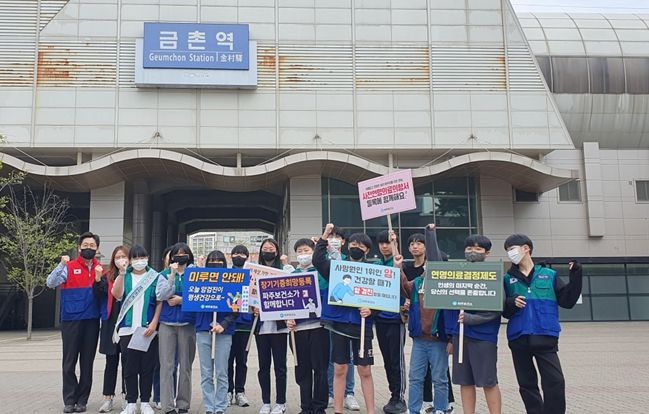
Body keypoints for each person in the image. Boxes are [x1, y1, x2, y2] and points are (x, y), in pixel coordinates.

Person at [502, 234, 582, 414]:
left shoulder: (549, 275)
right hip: (518, 338)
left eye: (512, 249)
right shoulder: (507, 279)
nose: (510, 253)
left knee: (555, 381)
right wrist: (511, 302)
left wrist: (576, 276)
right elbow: (504, 310)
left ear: (526, 248)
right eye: (507, 250)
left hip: (545, 336)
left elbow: (567, 301)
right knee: (527, 384)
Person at [314, 224, 377, 414]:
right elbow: (318, 260)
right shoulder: (336, 267)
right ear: (347, 246)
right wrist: (325, 236)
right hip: (339, 324)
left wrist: (372, 311)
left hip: (362, 326)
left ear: (367, 250)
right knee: (340, 368)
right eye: (354, 244)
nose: (357, 248)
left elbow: (383, 298)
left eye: (361, 246)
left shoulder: (374, 270)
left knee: (365, 370)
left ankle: (371, 411)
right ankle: (338, 410)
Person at [444, 235, 502, 414]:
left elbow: (495, 309)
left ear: (487, 252)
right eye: (469, 248)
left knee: (488, 381)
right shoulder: (457, 274)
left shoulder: (494, 275)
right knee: (465, 380)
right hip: (461, 336)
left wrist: (471, 319)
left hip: (484, 337)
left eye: (478, 249)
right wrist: (451, 337)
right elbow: (449, 306)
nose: (473, 252)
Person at [397, 224, 450, 414]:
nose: (429, 265)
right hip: (419, 339)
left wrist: (430, 233)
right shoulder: (418, 282)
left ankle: (441, 409)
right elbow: (404, 287)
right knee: (415, 378)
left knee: (440, 379)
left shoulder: (446, 285)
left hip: (438, 339)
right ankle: (414, 409)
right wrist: (398, 267)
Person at [47, 232, 103, 413]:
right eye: (85, 245)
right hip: (71, 320)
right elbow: (50, 283)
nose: (88, 248)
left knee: (87, 363)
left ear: (97, 249)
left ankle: (82, 400)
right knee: (69, 362)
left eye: (92, 246)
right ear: (79, 248)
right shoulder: (69, 266)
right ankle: (69, 400)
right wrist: (61, 264)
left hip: (91, 321)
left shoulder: (101, 269)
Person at [111, 245, 164, 414]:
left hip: (147, 329)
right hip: (127, 329)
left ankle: (146, 402)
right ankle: (131, 402)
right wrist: (121, 274)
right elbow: (117, 295)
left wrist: (154, 322)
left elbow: (160, 301)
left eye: (142, 257)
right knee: (129, 368)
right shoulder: (124, 276)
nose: (139, 261)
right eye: (135, 258)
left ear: (147, 258)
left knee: (147, 367)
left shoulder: (154, 276)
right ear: (130, 260)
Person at [286, 238, 330, 414]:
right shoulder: (291, 276)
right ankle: (306, 407)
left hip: (319, 328)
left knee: (320, 369)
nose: (303, 254)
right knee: (302, 370)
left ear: (313, 252)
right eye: (300, 251)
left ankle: (319, 407)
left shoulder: (322, 273)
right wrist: (287, 318)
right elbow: (285, 302)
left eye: (306, 251)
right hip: (297, 330)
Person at [195, 250, 238, 414]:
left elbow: (237, 307)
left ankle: (220, 407)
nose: (215, 263)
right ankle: (209, 406)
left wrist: (224, 324)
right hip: (203, 330)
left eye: (219, 261)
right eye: (212, 261)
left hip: (223, 332)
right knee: (206, 373)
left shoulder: (232, 280)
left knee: (221, 372)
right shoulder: (199, 280)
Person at [156, 243, 197, 414]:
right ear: (172, 257)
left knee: (186, 366)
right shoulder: (163, 274)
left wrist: (182, 300)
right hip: (167, 324)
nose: (180, 256)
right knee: (166, 366)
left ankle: (183, 404)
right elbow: (161, 295)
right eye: (177, 253)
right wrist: (172, 275)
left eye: (184, 253)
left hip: (188, 324)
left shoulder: (195, 274)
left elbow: (199, 296)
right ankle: (167, 405)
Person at [255, 238, 289, 414]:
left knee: (280, 367)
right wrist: (252, 307)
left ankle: (281, 402)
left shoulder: (283, 270)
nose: (267, 251)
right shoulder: (255, 271)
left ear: (276, 251)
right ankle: (266, 402)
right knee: (263, 366)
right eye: (265, 248)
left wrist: (287, 265)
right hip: (260, 327)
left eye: (271, 248)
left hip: (279, 327)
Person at [375, 231, 407, 414]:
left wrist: (397, 263)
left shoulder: (401, 263)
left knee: (397, 360)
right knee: (387, 360)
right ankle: (393, 394)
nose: (384, 246)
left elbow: (404, 285)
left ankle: (400, 397)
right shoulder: (376, 265)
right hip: (380, 319)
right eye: (381, 243)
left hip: (396, 320)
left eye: (388, 242)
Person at [95, 245, 129, 413]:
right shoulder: (106, 276)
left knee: (127, 362)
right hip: (110, 322)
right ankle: (108, 398)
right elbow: (98, 294)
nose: (120, 260)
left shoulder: (133, 276)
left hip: (128, 323)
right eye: (117, 257)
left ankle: (127, 397)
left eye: (123, 256)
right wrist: (97, 279)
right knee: (111, 362)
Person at [227, 245, 253, 408]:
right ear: (231, 256)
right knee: (227, 360)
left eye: (242, 254)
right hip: (228, 325)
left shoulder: (252, 275)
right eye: (236, 253)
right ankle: (228, 391)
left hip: (245, 325)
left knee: (242, 361)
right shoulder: (226, 275)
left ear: (247, 257)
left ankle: (240, 392)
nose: (238, 256)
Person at [152, 246, 174, 411]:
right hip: (160, 325)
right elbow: (159, 298)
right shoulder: (159, 276)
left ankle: (171, 396)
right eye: (170, 257)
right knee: (160, 364)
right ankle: (159, 396)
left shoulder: (187, 275)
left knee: (175, 364)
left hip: (179, 324)